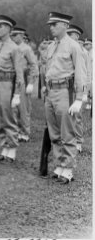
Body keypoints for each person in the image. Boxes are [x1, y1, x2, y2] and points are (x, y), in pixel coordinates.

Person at [43, 12, 86, 184]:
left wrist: (79, 98)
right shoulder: (51, 46)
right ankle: (60, 164)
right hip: (51, 91)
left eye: (55, 24)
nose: (51, 27)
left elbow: (81, 74)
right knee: (54, 132)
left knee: (67, 131)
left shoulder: (74, 46)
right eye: (50, 25)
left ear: (65, 25)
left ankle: (68, 168)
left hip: (65, 91)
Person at [0, 15, 23, 162]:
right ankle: (4, 144)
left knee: (9, 115)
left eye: (1, 26)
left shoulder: (14, 48)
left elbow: (19, 72)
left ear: (9, 29)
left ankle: (12, 146)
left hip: (7, 84)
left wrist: (17, 93)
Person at [10, 27, 38, 142]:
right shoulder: (11, 48)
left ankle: (25, 132)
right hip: (11, 79)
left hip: (23, 79)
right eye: (12, 35)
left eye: (16, 35)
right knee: (13, 108)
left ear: (21, 35)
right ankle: (15, 131)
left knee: (23, 108)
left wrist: (31, 83)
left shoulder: (26, 49)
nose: (13, 37)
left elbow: (33, 65)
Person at [67, 24, 90, 153]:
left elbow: (86, 73)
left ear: (77, 36)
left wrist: (85, 91)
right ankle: (68, 138)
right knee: (67, 114)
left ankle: (78, 141)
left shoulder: (83, 52)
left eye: (71, 35)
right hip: (66, 87)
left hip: (77, 87)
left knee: (77, 115)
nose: (69, 38)